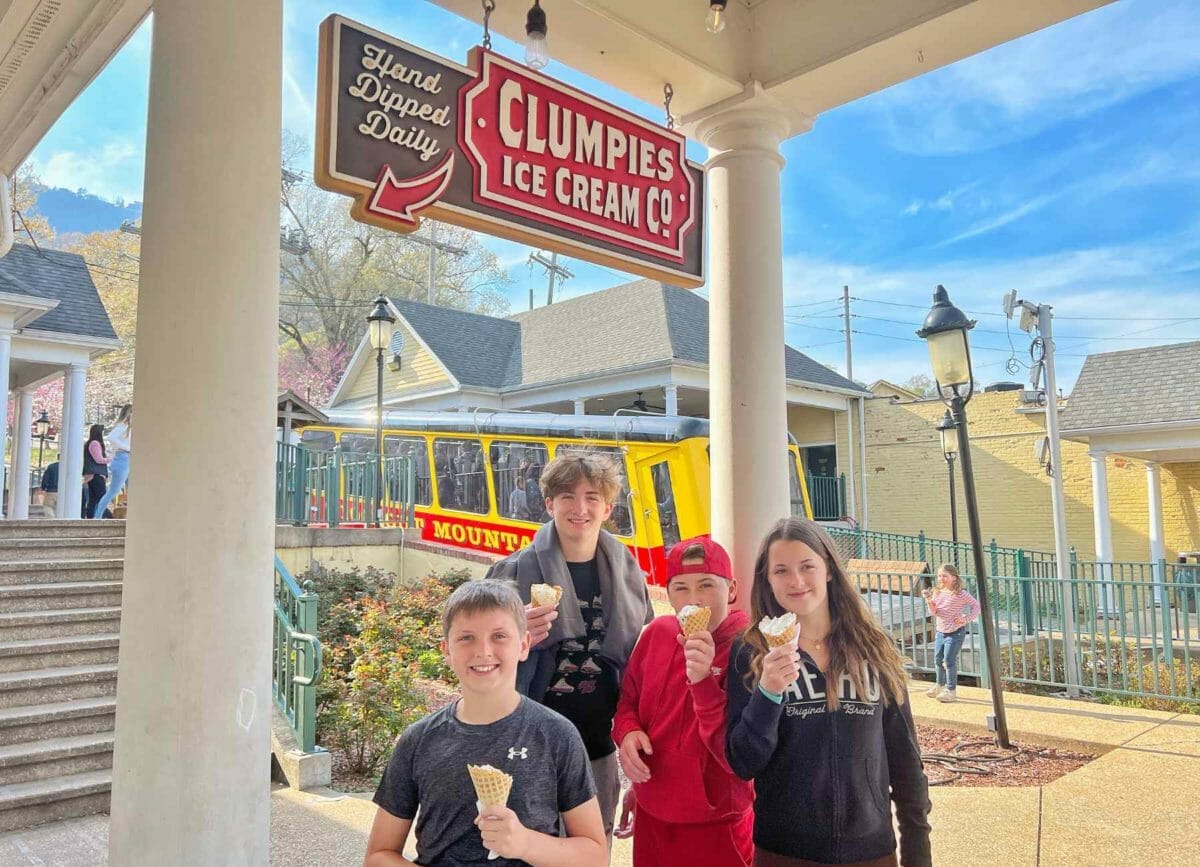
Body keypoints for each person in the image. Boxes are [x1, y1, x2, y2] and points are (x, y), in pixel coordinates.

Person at [726, 518, 931, 867]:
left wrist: (917, 856)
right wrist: (769, 692)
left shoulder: (874, 648)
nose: (797, 581)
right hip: (784, 853)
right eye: (781, 571)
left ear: (829, 571)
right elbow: (744, 762)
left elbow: (906, 763)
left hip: (872, 852)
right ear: (768, 580)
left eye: (807, 566)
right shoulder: (750, 652)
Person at [364, 580, 607, 867]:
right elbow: (378, 856)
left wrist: (526, 843)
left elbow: (595, 856)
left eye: (499, 636)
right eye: (466, 638)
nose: (483, 651)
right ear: (446, 650)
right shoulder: (418, 740)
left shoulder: (556, 734)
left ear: (524, 644)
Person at [485, 452, 654, 847]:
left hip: (598, 749)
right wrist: (510, 633)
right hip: (529, 748)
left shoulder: (629, 575)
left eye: (592, 497)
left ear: (608, 507)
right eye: (567, 496)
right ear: (549, 504)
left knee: (595, 850)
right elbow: (475, 661)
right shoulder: (510, 573)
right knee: (527, 849)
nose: (580, 508)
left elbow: (641, 664)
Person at [612, 537, 754, 866]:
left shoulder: (748, 649)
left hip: (718, 825)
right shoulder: (657, 633)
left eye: (706, 585)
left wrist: (703, 679)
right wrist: (628, 734)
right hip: (652, 814)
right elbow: (627, 703)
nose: (694, 599)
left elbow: (741, 753)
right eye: (680, 588)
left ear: (731, 590)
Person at [921, 563, 980, 703]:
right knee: (937, 659)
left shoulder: (961, 594)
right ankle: (939, 686)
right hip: (940, 632)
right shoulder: (937, 592)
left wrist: (965, 619)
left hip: (955, 632)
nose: (941, 578)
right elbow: (934, 612)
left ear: (954, 577)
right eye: (940, 576)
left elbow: (976, 607)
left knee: (948, 661)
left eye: (945, 576)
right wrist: (928, 600)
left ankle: (951, 690)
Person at [92, 404, 131, 519]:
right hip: (122, 457)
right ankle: (97, 516)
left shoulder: (129, 427)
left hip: (128, 458)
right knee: (114, 490)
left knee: (132, 489)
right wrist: (127, 448)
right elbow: (111, 437)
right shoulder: (123, 426)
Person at [82, 424, 110, 519]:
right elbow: (98, 459)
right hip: (96, 475)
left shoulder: (89, 443)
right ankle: (107, 516)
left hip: (92, 475)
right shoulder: (95, 443)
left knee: (93, 499)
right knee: (102, 497)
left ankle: (91, 517)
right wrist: (109, 459)